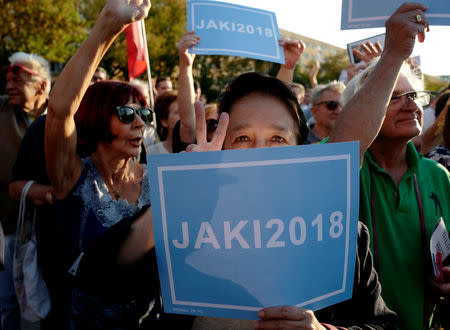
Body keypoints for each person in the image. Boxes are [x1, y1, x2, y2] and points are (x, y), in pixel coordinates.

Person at [44, 0, 161, 328]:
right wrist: (107, 27)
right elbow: (59, 111)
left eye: (144, 114)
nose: (139, 124)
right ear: (97, 118)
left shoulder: (160, 180)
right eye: (126, 114)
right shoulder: (73, 176)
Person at [339, 11, 450, 330]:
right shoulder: (342, 170)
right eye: (392, 97)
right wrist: (393, 55)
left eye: (414, 96)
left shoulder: (436, 175)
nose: (411, 105)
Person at [0, 51, 51, 330]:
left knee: (42, 304)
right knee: (6, 302)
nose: (9, 86)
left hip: (47, 230)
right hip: (6, 227)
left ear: (42, 86)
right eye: (7, 80)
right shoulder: (2, 110)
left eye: (18, 81)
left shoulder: (60, 116)